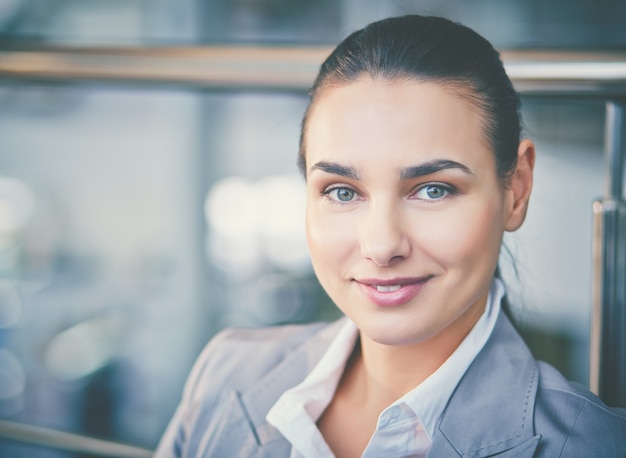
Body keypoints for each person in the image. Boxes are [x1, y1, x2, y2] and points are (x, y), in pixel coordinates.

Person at [155, 15, 626, 458]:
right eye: (342, 192)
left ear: (517, 189)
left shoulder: (595, 445)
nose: (381, 246)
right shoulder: (225, 372)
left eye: (433, 189)